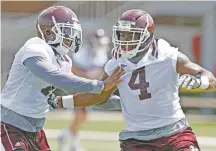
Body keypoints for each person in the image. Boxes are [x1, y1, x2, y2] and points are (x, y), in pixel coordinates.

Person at [49, 9, 216, 151]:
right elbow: (97, 97)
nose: (125, 40)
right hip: (137, 138)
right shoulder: (115, 64)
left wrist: (199, 81)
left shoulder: (167, 55)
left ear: (147, 36)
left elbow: (210, 79)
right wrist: (60, 102)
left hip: (175, 132)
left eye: (131, 35)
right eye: (122, 34)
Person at [0, 6, 124, 151]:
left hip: (35, 129)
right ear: (47, 32)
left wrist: (127, 104)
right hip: (9, 124)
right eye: (66, 31)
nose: (71, 37)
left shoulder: (64, 60)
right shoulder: (34, 47)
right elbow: (54, 77)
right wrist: (99, 85)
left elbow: (85, 96)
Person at [57, 29, 111, 151]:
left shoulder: (101, 53)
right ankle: (74, 144)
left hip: (90, 88)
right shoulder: (81, 53)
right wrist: (89, 79)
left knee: (82, 117)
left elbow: (100, 71)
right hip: (78, 86)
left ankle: (65, 135)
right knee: (80, 115)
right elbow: (73, 71)